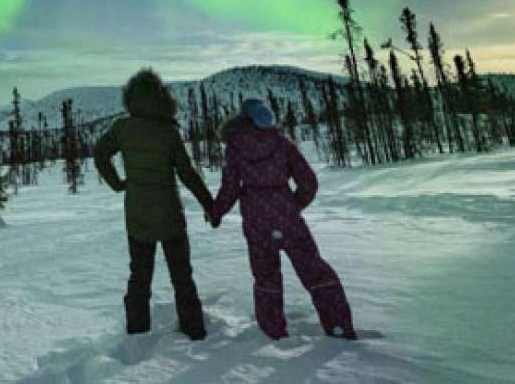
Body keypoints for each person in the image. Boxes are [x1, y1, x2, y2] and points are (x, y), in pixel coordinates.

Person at [209, 98, 357, 340]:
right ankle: (339, 327)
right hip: (288, 218)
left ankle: (273, 332)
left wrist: (216, 212)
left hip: (256, 221)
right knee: (315, 271)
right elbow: (308, 182)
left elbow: (230, 188)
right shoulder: (281, 143)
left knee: (266, 276)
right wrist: (292, 206)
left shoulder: (235, 147)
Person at [93, 68, 214, 340]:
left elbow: (100, 153)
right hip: (170, 215)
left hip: (137, 215)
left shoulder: (122, 128)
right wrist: (209, 204)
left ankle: (137, 335)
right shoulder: (168, 131)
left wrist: (117, 182)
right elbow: (187, 173)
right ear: (161, 98)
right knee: (182, 277)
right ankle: (194, 330)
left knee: (139, 278)